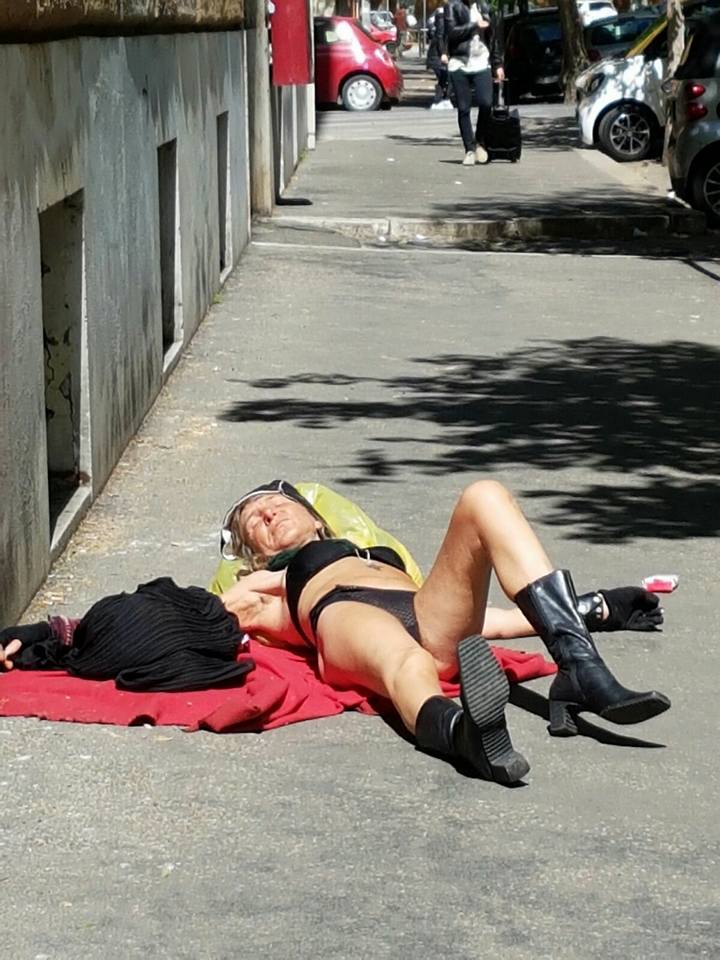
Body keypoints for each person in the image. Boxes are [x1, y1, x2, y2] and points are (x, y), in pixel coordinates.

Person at [213, 478, 670, 785]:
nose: (267, 513)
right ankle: (462, 736)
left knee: (484, 495)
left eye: (276, 503)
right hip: (342, 613)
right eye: (255, 520)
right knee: (408, 661)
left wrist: (598, 607)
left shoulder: (370, 551)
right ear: (257, 554)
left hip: (421, 610)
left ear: (316, 518)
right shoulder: (266, 582)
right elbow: (219, 612)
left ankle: (580, 668)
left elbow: (487, 622)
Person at [443, 0, 504, 165]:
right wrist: (474, 25)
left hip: (482, 62)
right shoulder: (452, 7)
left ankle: (480, 142)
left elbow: (493, 38)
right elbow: (452, 33)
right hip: (459, 63)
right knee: (464, 108)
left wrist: (497, 64)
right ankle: (469, 149)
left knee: (486, 103)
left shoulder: (484, 7)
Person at [426, 6, 453, 109]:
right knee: (448, 77)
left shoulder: (441, 19)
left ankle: (442, 99)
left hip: (437, 55)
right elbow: (440, 36)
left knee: (445, 77)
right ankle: (442, 99)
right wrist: (443, 53)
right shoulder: (442, 19)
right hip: (437, 56)